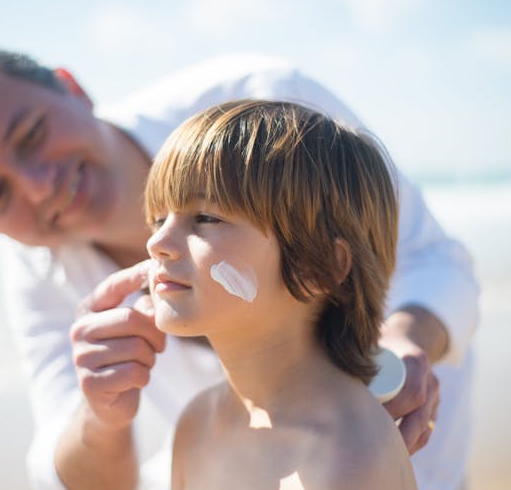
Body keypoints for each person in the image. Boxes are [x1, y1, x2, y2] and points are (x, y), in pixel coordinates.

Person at [0, 44, 479, 490]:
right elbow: (66, 466)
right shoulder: (193, 427)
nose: (41, 186)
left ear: (71, 87)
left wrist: (402, 346)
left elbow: (434, 259)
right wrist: (102, 417)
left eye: (31, 135)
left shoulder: (272, 116)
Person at [145, 99, 416, 489]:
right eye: (158, 219)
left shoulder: (350, 456)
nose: (158, 241)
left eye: (205, 218)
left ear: (318, 266)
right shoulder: (197, 422)